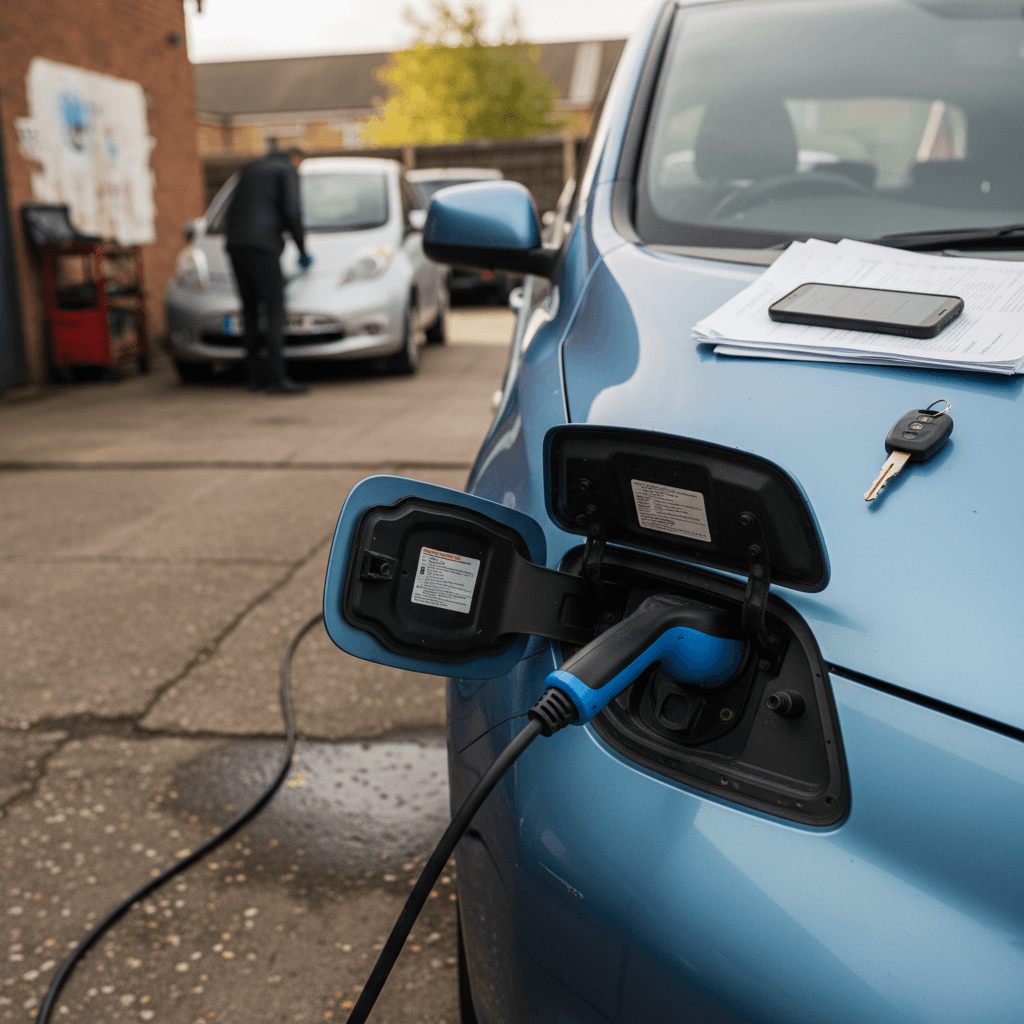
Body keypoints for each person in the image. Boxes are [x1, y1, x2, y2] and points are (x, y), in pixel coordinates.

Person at [224, 146, 314, 394]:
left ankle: (255, 378)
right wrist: (303, 250)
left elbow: (233, 210)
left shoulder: (250, 169)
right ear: (297, 159)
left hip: (235, 244)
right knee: (274, 310)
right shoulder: (287, 170)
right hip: (263, 246)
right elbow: (292, 212)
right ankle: (277, 379)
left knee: (250, 311)